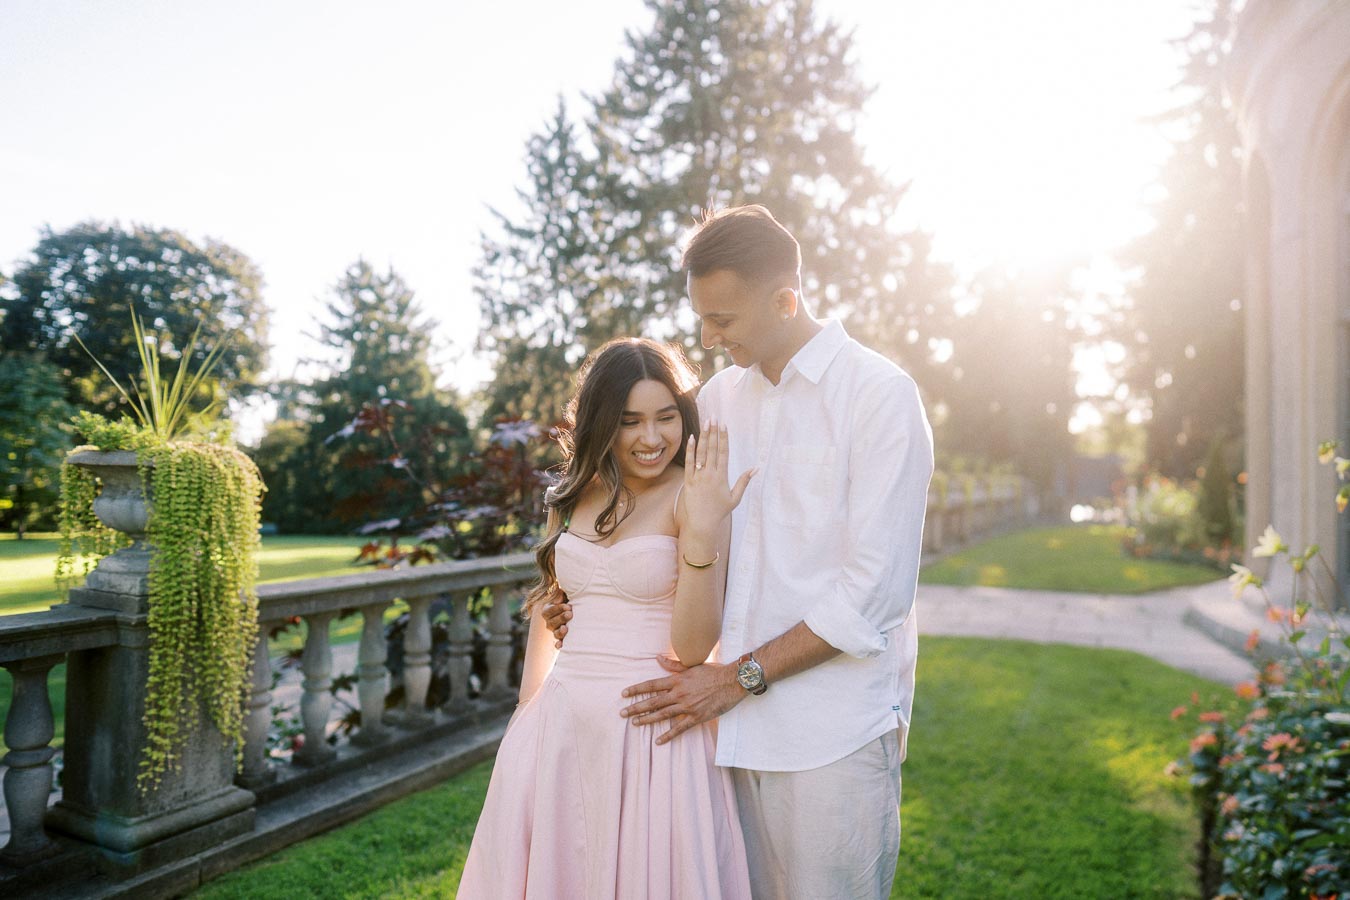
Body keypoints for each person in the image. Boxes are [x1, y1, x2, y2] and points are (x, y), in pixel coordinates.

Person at [545, 205, 934, 899]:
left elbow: (872, 597)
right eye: (700, 317)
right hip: (719, 735)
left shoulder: (879, 397)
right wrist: (586, 597)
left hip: (831, 734)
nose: (707, 336)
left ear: (785, 300)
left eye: (722, 319)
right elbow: (641, 490)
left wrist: (736, 678)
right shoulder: (719, 399)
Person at [457, 337, 756, 899]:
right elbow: (550, 605)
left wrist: (703, 527)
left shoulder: (693, 496)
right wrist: (527, 711)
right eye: (630, 421)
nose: (651, 438)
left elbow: (693, 648)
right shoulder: (570, 494)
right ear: (602, 422)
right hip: (563, 722)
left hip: (651, 727)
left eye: (666, 417)